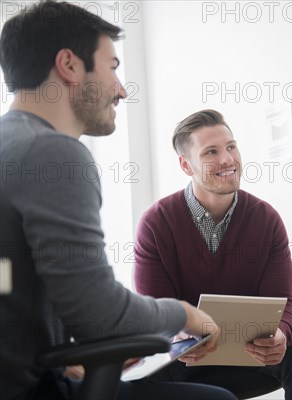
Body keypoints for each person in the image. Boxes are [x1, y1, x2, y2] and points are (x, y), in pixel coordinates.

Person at [0, 2, 236, 399]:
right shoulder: (52, 154)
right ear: (69, 66)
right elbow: (100, 315)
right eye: (112, 67)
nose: (122, 89)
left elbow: (16, 288)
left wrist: (67, 352)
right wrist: (184, 313)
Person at [133, 109, 292, 399]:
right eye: (211, 152)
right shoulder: (156, 223)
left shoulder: (265, 219)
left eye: (231, 147)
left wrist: (282, 333)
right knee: (136, 376)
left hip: (251, 351)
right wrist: (175, 337)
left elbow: (284, 301)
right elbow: (155, 309)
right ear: (185, 165)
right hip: (185, 356)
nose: (227, 159)